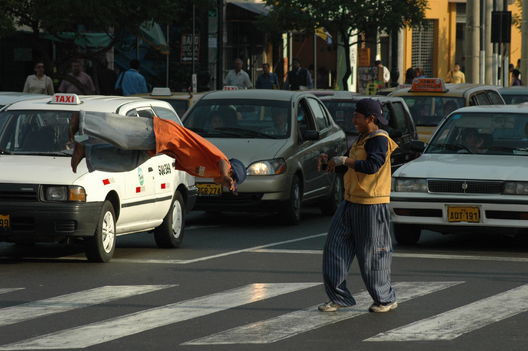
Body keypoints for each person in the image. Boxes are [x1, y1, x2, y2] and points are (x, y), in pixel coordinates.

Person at [317, 98, 399, 313]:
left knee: (373, 255)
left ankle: (385, 299)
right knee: (334, 247)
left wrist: (346, 161)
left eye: (357, 116)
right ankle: (338, 297)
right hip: (350, 201)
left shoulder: (379, 139)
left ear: (371, 118)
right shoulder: (362, 138)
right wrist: (332, 164)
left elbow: (372, 165)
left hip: (372, 204)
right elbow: (351, 169)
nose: (353, 119)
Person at [68, 111, 246, 192]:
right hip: (164, 133)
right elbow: (222, 162)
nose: (225, 186)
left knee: (128, 162)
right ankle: (83, 118)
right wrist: (226, 175)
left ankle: (85, 151)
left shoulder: (212, 172)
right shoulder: (222, 162)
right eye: (229, 183)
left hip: (162, 147)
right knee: (123, 136)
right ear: (232, 173)